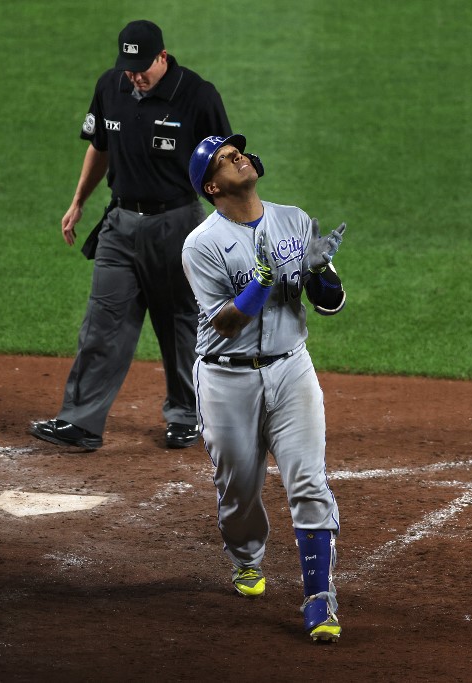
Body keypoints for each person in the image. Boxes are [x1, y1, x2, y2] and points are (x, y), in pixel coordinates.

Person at [29, 19, 232, 451]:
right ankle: (80, 420)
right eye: (128, 66)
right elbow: (99, 147)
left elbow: (224, 162)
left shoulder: (198, 96)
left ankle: (187, 415)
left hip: (177, 225)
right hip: (119, 224)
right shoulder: (110, 87)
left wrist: (232, 227)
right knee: (102, 323)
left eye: (143, 66)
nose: (135, 75)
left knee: (179, 323)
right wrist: (78, 200)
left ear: (163, 56)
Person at [182, 134, 348, 642]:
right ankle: (246, 558)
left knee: (308, 481)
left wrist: (319, 273)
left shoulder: (294, 219)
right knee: (238, 487)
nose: (238, 156)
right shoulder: (202, 245)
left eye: (239, 152)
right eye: (225, 158)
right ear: (212, 186)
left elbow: (330, 304)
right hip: (226, 375)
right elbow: (226, 324)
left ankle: (320, 598)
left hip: (291, 367)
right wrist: (260, 281)